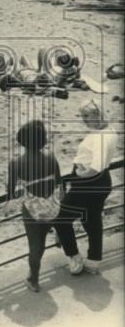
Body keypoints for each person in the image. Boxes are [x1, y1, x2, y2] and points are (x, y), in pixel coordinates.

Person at [53, 101, 117, 275]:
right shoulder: (109, 130)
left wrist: (81, 175)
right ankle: (94, 260)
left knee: (60, 218)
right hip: (103, 181)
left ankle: (74, 257)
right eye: (82, 116)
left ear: (98, 114)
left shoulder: (99, 137)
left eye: (87, 116)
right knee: (92, 219)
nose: (84, 120)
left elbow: (95, 167)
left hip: (89, 183)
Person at [3, 120, 63, 292]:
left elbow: (12, 193)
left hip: (34, 208)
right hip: (51, 205)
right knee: (42, 239)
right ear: (42, 140)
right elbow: (59, 183)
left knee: (35, 245)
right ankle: (56, 233)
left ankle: (34, 280)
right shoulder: (51, 158)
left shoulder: (16, 163)